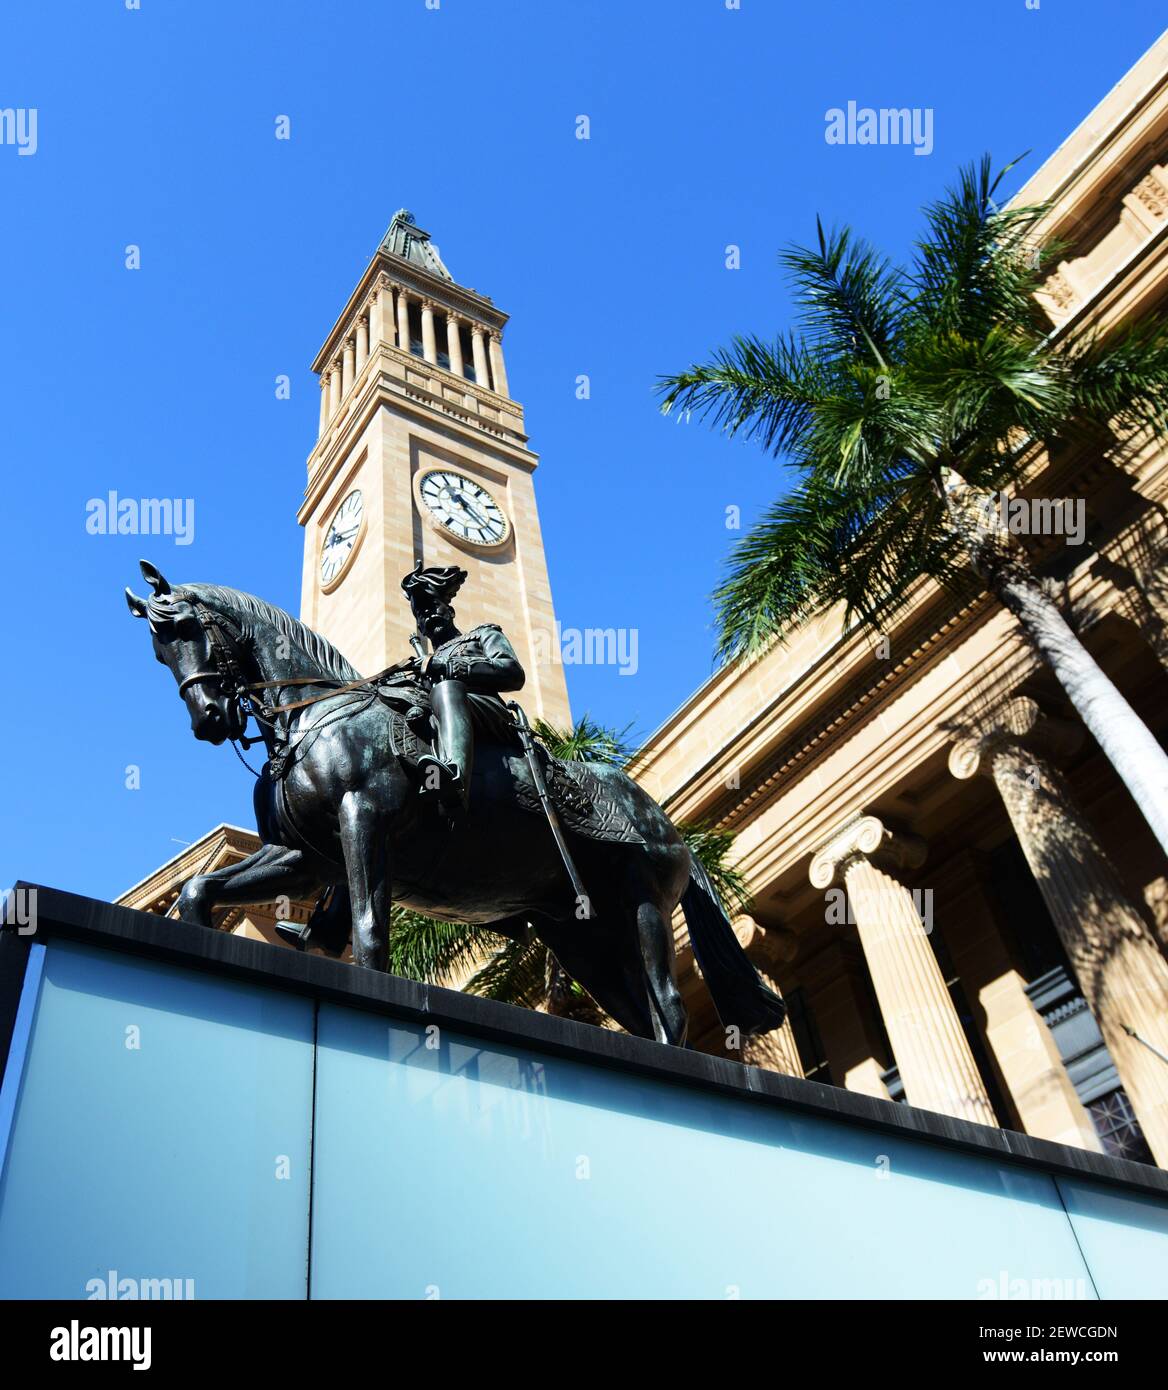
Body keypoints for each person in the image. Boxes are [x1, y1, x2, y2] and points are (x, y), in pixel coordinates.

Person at [400, 562, 525, 812]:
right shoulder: (424, 662)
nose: (429, 615)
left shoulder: (482, 635)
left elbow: (512, 672)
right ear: (420, 628)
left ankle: (451, 777)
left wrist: (447, 667)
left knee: (448, 690)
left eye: (433, 606)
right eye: (421, 614)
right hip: (439, 713)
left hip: (487, 711)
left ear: (450, 611)